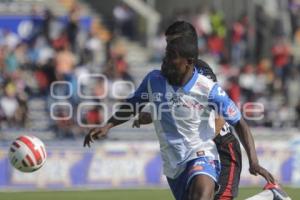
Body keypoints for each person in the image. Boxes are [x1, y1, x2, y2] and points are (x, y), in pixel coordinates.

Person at [84, 23, 274, 200]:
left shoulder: (205, 82)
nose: (165, 58)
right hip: (175, 162)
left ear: (188, 58)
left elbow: (228, 119)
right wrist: (109, 125)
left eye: (171, 48)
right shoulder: (156, 79)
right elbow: (136, 104)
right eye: (167, 47)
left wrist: (252, 160)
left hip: (211, 149)